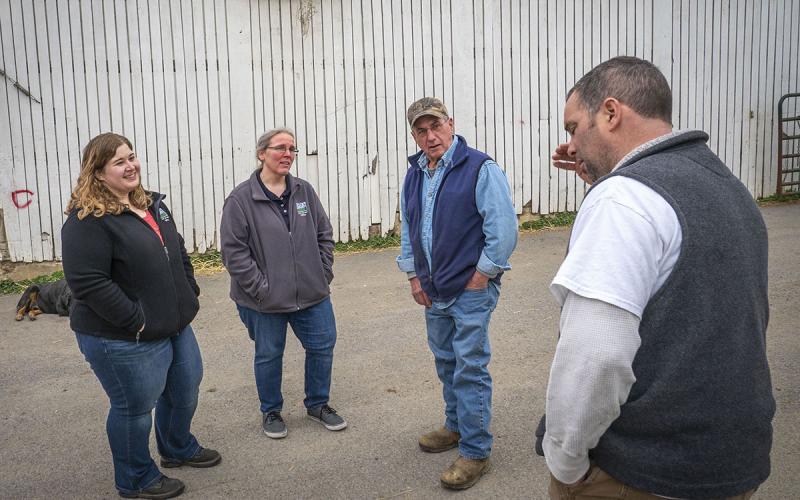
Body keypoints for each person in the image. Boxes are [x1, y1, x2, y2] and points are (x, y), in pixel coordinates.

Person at [538, 56, 774, 499]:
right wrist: (607, 174)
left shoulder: (624, 200)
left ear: (610, 113)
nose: (570, 145)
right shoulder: (729, 188)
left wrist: (566, 462)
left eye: (573, 128)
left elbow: (598, 356)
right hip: (728, 463)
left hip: (640, 472)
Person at [61, 133, 220, 499]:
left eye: (131, 157)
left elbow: (176, 248)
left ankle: (177, 447)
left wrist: (189, 290)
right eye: (119, 162)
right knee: (134, 409)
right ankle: (135, 479)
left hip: (175, 323)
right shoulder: (88, 220)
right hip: (122, 336)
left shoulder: (151, 204)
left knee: (184, 389)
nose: (131, 165)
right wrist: (138, 320)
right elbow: (88, 283)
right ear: (98, 173)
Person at [397, 97, 518, 490]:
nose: (430, 137)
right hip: (433, 289)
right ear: (414, 135)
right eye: (421, 130)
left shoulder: (480, 168)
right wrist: (415, 277)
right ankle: (455, 426)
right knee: (447, 362)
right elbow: (409, 231)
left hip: (469, 289)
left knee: (470, 367)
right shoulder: (415, 175)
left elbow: (503, 231)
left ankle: (476, 450)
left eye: (436, 127)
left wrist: (481, 276)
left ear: (451, 123)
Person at [220, 128, 346, 439]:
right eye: (280, 148)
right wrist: (262, 288)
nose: (287, 154)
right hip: (264, 300)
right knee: (268, 354)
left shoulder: (303, 191)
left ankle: (318, 404)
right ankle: (271, 411)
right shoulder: (240, 199)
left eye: (292, 149)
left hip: (312, 293)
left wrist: (322, 271)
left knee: (322, 346)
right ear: (262, 154)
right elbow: (234, 252)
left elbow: (324, 234)